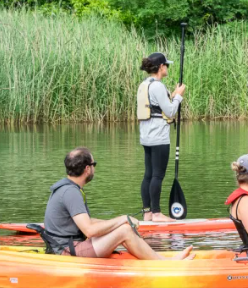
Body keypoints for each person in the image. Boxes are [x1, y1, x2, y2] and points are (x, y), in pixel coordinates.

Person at [42, 147, 194, 259]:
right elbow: (89, 231)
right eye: (94, 164)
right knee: (125, 231)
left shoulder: (69, 188)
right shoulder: (71, 193)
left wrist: (120, 223)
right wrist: (122, 220)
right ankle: (165, 264)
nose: (94, 168)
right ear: (87, 169)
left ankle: (155, 257)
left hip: (68, 247)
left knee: (124, 228)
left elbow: (87, 222)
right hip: (68, 251)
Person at [137, 52, 186, 221]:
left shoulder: (146, 84)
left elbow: (158, 106)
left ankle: (147, 213)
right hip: (159, 138)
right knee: (157, 176)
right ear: (161, 67)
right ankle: (157, 213)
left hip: (147, 137)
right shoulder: (157, 86)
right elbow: (171, 111)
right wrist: (179, 95)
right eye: (167, 65)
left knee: (148, 175)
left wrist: (172, 95)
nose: (167, 68)